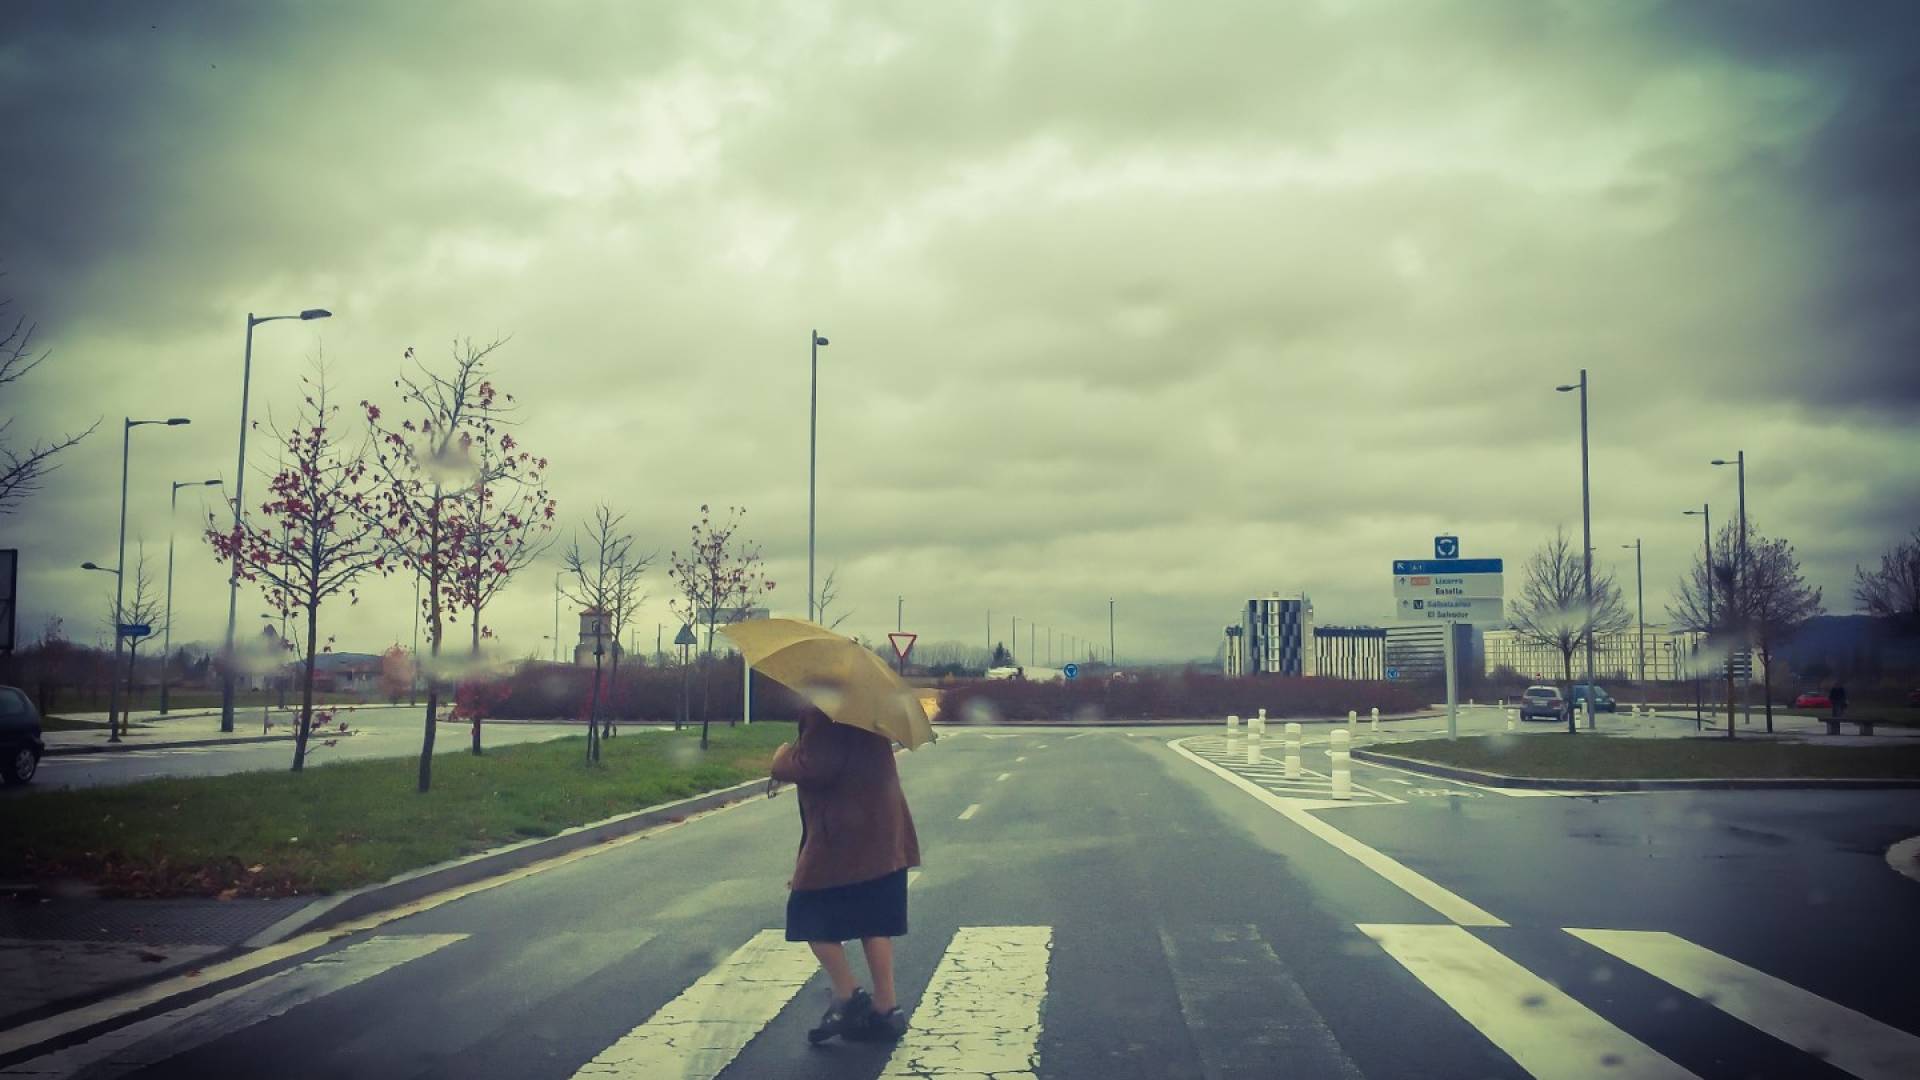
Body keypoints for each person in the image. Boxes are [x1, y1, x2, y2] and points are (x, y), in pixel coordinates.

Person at [771, 707, 921, 1045]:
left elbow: (815, 767)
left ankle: (848, 996)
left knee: (806, 913)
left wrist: (782, 757)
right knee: (874, 918)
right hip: (882, 828)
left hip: (843, 833)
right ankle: (886, 1009)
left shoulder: (826, 712)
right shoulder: (868, 707)